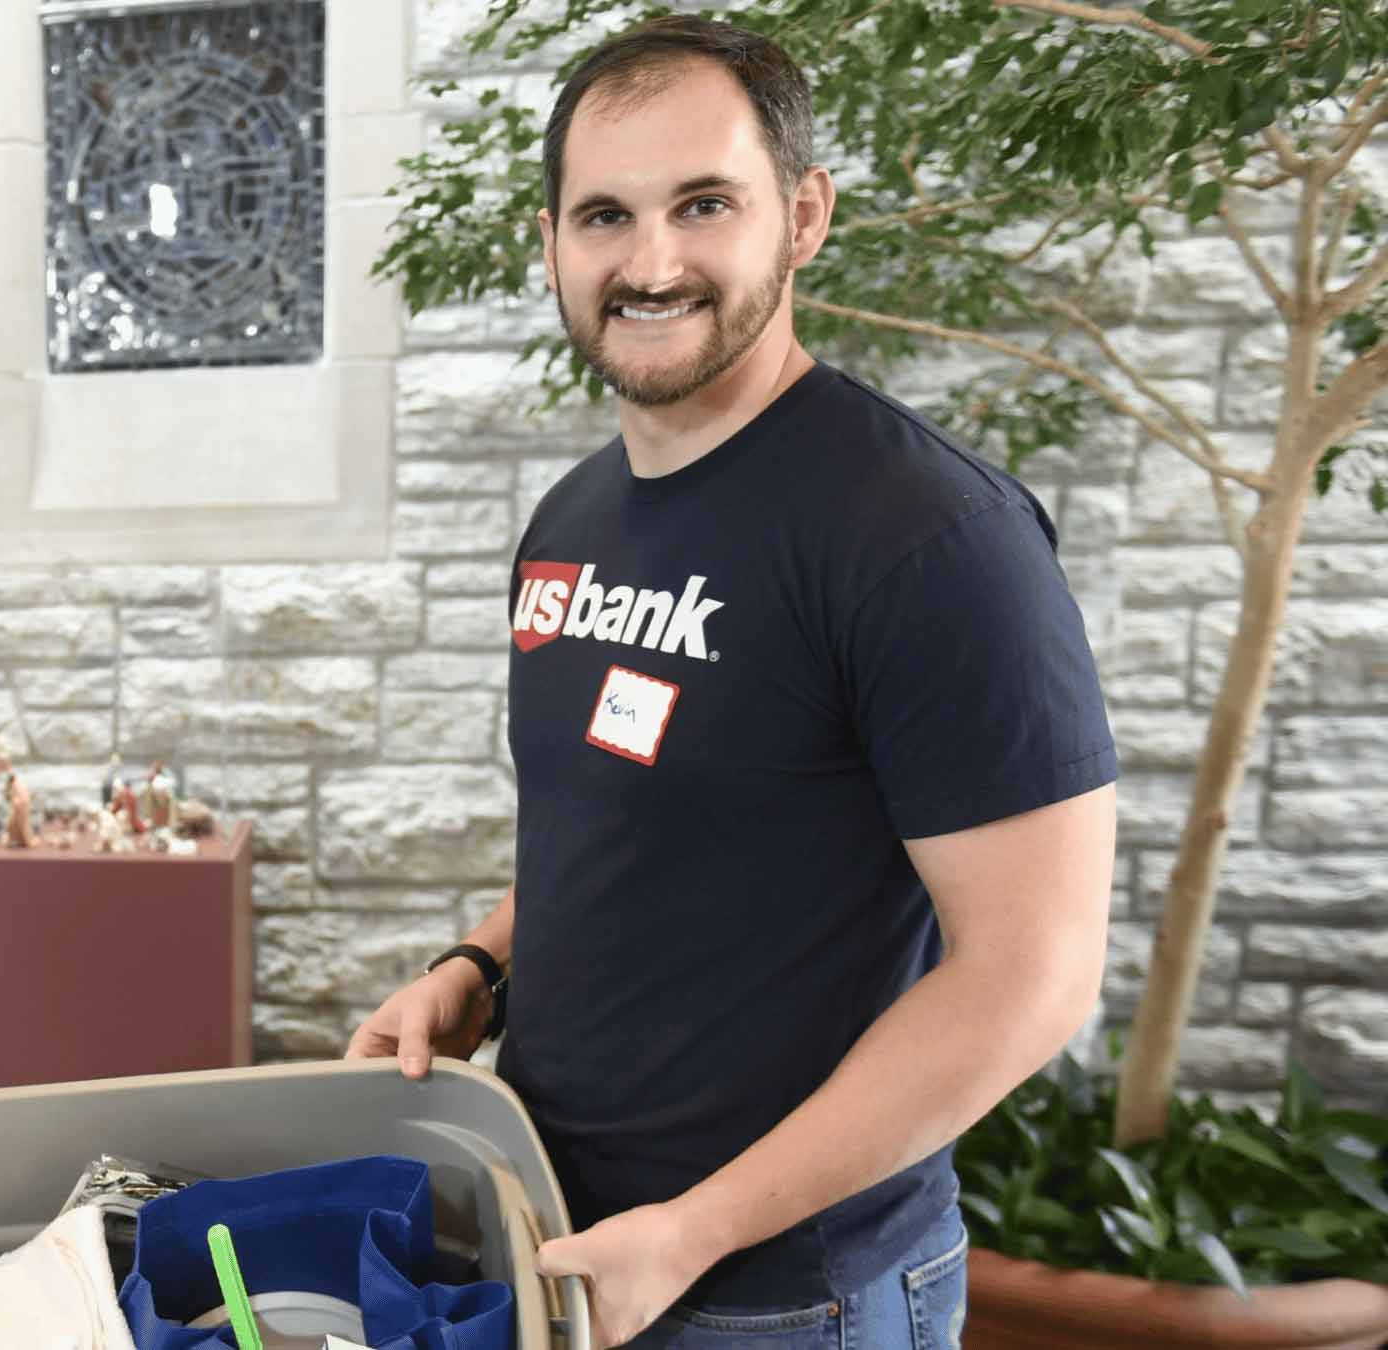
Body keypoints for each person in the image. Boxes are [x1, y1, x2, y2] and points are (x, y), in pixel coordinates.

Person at [348, 17, 1116, 1348]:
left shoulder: (932, 539)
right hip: (569, 1237)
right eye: (604, 215)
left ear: (804, 215)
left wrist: (697, 1226)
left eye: (704, 204)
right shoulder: (574, 520)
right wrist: (477, 968)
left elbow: (1032, 977)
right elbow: (629, 835)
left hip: (788, 1292)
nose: (651, 263)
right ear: (551, 245)